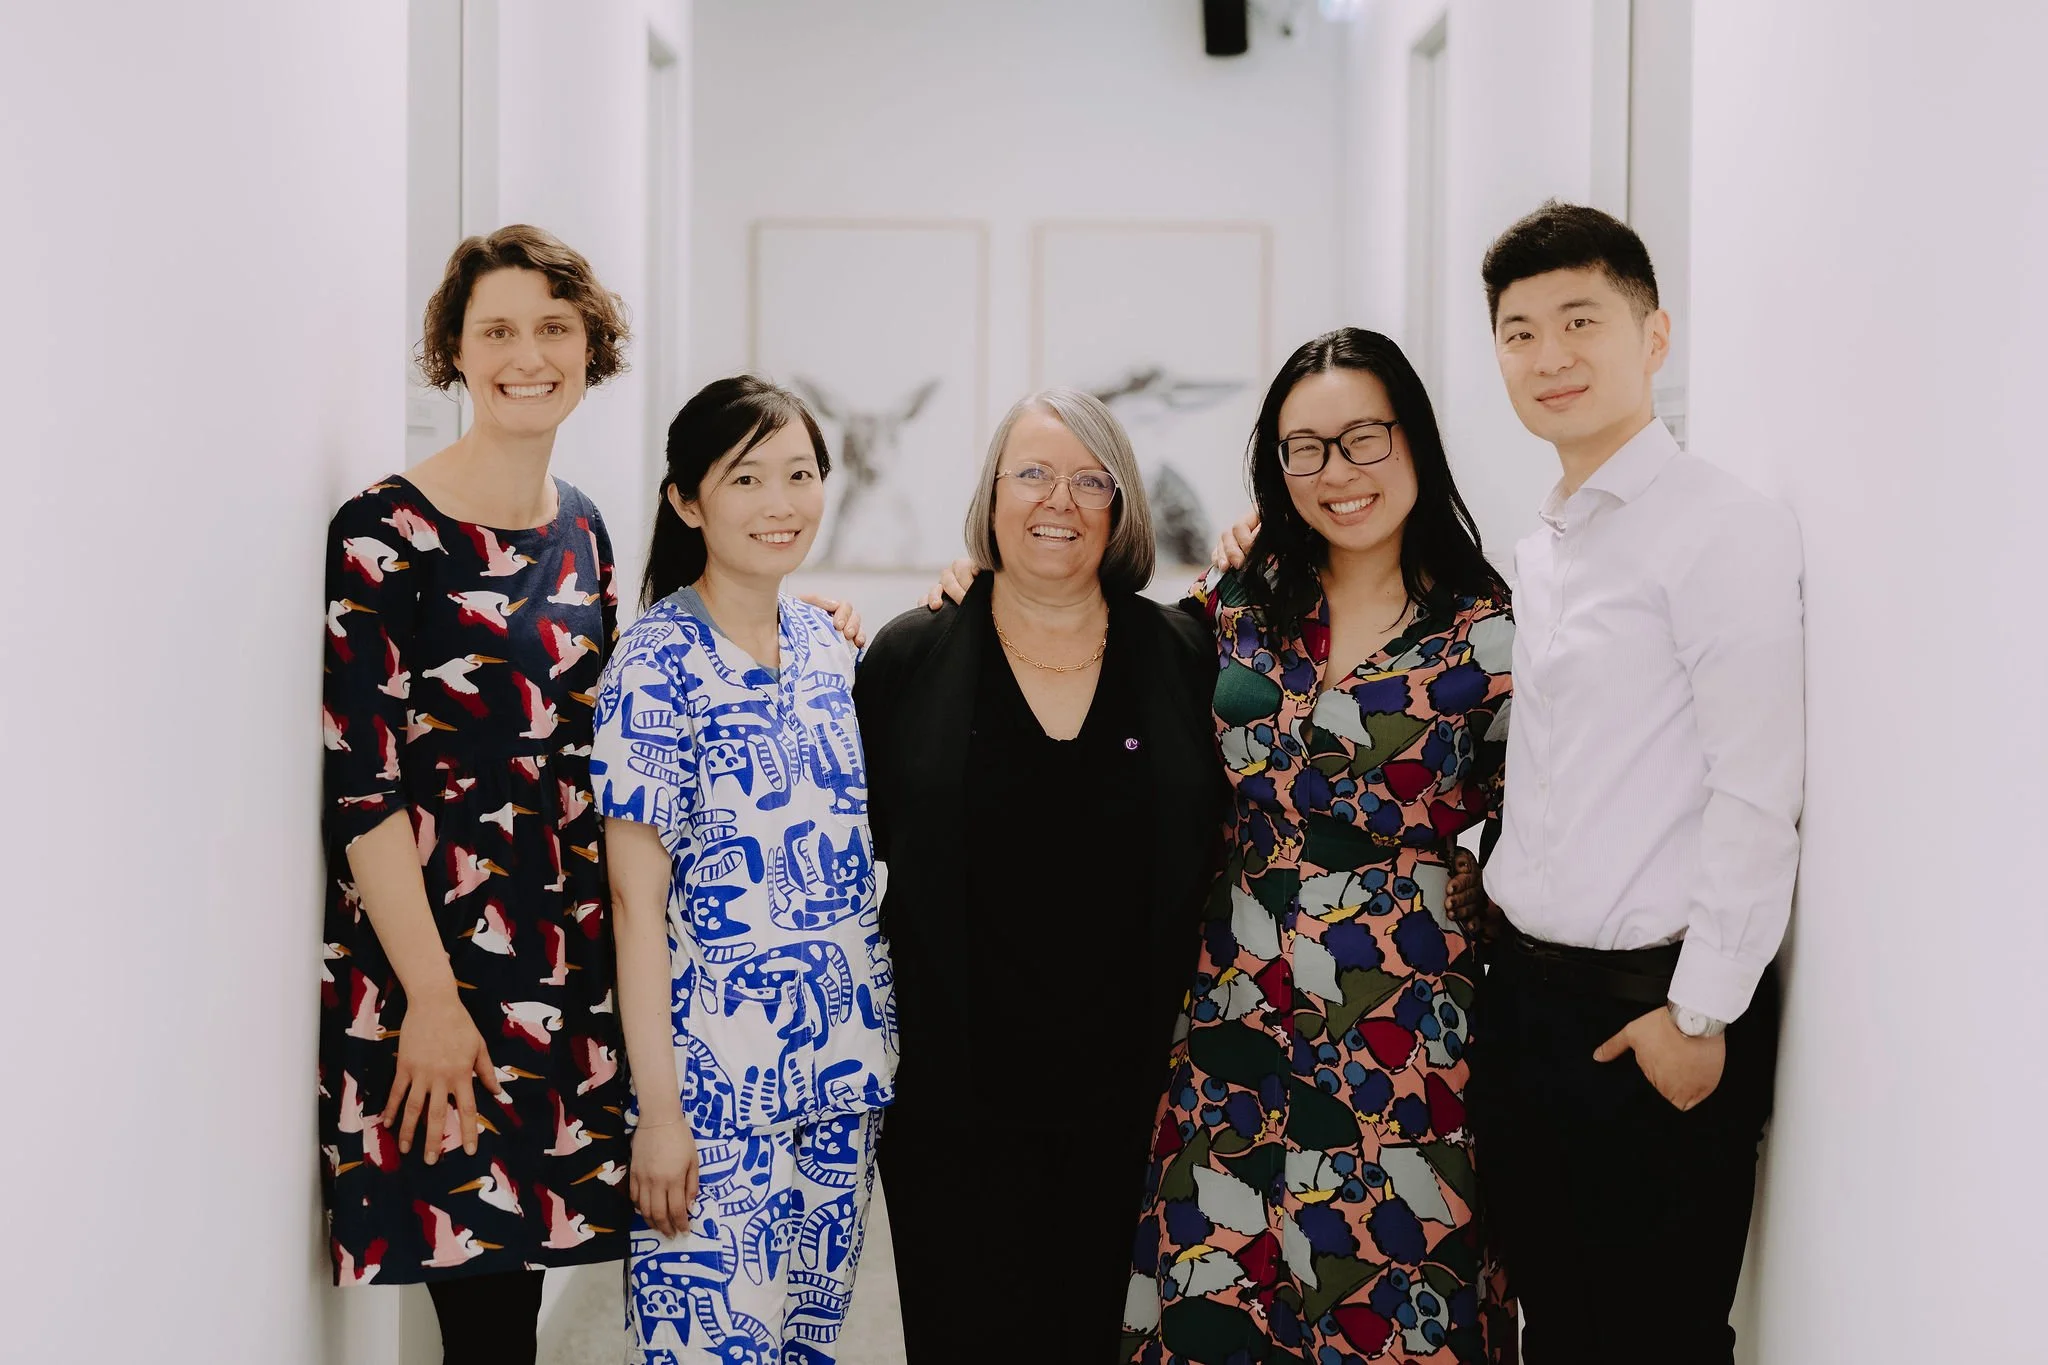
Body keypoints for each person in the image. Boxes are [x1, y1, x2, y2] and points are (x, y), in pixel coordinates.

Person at [1119, 330, 1517, 1365]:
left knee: (1389, 1306)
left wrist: (1478, 873)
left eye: (1361, 440)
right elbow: (1107, 673)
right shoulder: (1236, 610)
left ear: (1414, 444)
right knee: (1213, 1304)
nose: (1335, 474)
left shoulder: (1488, 634)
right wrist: (969, 592)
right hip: (1231, 1022)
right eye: (1304, 449)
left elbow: (1547, 821)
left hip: (1402, 1035)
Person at [1467, 202, 1804, 1363]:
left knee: (1654, 1338)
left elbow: (1756, 785)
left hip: (1650, 1014)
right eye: (1518, 332)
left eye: (1579, 321)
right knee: (1554, 1327)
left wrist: (1699, 1009)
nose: (1548, 357)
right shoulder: (1547, 542)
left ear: (1652, 337)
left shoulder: (1718, 528)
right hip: (1526, 1008)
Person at [856, 389, 1228, 1360]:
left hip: (1141, 1104)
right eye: (1030, 472)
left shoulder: (1186, 655)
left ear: (1120, 506)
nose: (1055, 500)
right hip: (955, 1105)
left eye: (1086, 478)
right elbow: (846, 856)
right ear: (991, 496)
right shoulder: (910, 657)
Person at [319, 225, 632, 1362]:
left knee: (527, 1308)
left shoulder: (585, 528)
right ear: (451, 351)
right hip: (434, 980)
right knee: (484, 1325)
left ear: (591, 346)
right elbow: (361, 793)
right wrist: (434, 1002)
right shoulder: (383, 533)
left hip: (563, 966)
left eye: (553, 328)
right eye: (495, 330)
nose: (526, 355)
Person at [592, 376, 897, 1365]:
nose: (781, 502)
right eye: (746, 477)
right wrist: (662, 1116)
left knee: (804, 1350)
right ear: (688, 501)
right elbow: (635, 912)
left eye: (800, 474)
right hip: (713, 1095)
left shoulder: (829, 647)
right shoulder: (651, 665)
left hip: (842, 1071)